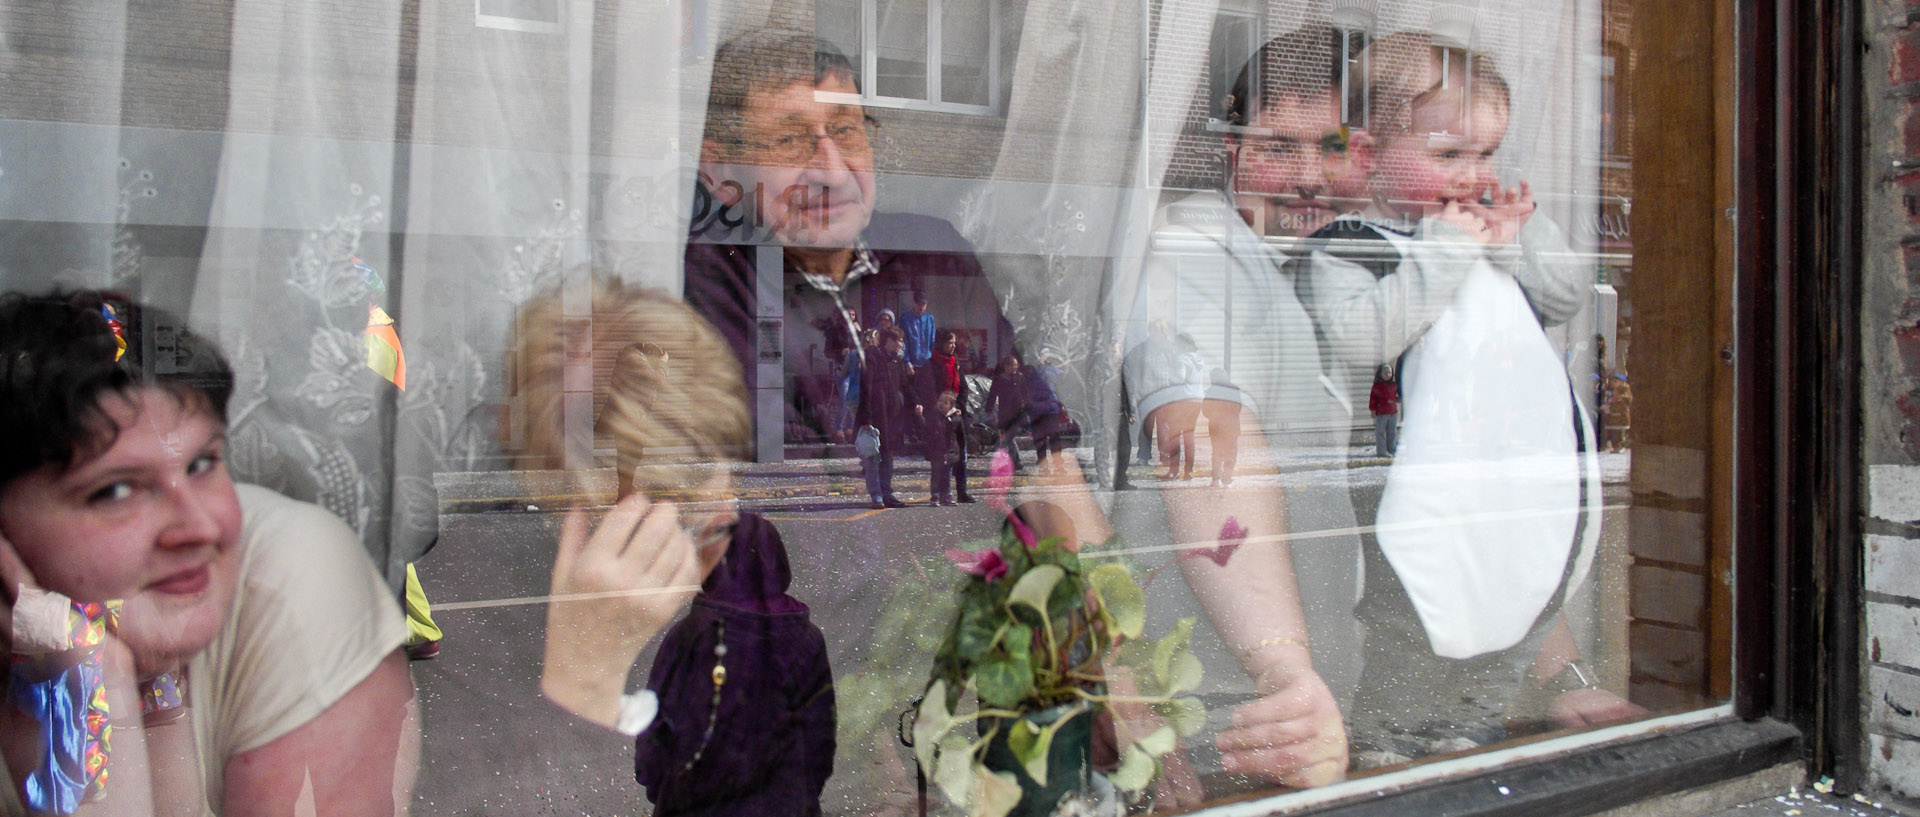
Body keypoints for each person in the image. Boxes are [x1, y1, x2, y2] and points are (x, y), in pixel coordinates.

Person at [1295, 35, 1642, 766]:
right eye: (1449, 156)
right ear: (1368, 154)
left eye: (1486, 156)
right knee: (1412, 610)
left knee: (1519, 589)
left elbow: (1565, 295)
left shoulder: (1488, 228)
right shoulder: (1349, 243)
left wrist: (1516, 240)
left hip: (1514, 464)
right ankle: (1388, 733)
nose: (1473, 175)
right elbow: (1365, 335)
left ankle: (1479, 717)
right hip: (1414, 479)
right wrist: (1447, 251)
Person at [0, 290, 416, 816]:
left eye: (201, 465)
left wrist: (136, 703)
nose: (200, 526)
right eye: (115, 491)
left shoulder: (292, 573)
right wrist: (83, 693)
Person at [1115, 27, 1364, 791]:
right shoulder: (1198, 249)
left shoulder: (1325, 261)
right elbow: (1204, 445)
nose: (1308, 177)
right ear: (1230, 151)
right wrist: (1284, 670)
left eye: (1332, 148)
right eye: (1278, 147)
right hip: (1232, 719)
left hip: (1295, 710)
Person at [511, 277, 835, 816]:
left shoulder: (692, 638)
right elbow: (817, 738)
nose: (727, 506)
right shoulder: (799, 639)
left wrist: (582, 684)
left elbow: (656, 741)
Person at [682, 29, 1013, 456]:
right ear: (719, 169)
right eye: (789, 141)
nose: (834, 173)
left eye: (846, 131)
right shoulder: (700, 284)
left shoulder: (939, 250)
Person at [858, 328, 919, 508]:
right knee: (873, 457)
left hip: (892, 416)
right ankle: (876, 495)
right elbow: (866, 388)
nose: (901, 344)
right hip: (876, 415)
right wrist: (866, 418)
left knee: (888, 456)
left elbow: (905, 385)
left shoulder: (896, 361)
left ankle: (887, 493)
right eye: (899, 341)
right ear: (889, 341)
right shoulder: (872, 357)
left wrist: (916, 402)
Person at [919, 331, 972, 505]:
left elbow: (963, 388)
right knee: (940, 458)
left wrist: (958, 407)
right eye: (950, 342)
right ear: (941, 343)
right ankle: (939, 493)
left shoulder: (955, 362)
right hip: (938, 416)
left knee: (960, 454)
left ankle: (961, 491)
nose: (953, 346)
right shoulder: (931, 364)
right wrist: (940, 408)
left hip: (955, 414)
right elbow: (927, 390)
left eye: (954, 343)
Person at [986, 354, 1031, 472]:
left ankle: (1017, 461)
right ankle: (1012, 462)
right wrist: (989, 409)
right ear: (1006, 366)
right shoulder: (999, 379)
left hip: (1017, 414)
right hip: (1004, 414)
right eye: (1012, 365)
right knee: (1005, 438)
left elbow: (1026, 394)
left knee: (1009, 438)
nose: (1015, 368)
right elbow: (992, 395)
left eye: (1016, 365)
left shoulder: (1020, 378)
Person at [1369, 363, 1400, 457]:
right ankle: (1381, 452)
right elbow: (1372, 399)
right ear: (1380, 374)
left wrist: (1398, 399)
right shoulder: (1377, 386)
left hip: (1392, 413)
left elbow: (1396, 397)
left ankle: (1392, 450)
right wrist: (1372, 410)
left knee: (1392, 432)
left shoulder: (1394, 385)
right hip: (1381, 414)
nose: (1388, 375)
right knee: (1380, 433)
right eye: (1385, 373)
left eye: (1389, 373)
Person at [902, 291, 936, 369]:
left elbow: (932, 341)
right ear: (914, 303)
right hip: (911, 364)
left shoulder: (930, 319)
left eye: (924, 304)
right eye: (919, 304)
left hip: (927, 362)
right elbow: (904, 342)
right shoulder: (905, 319)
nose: (921, 307)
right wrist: (907, 361)